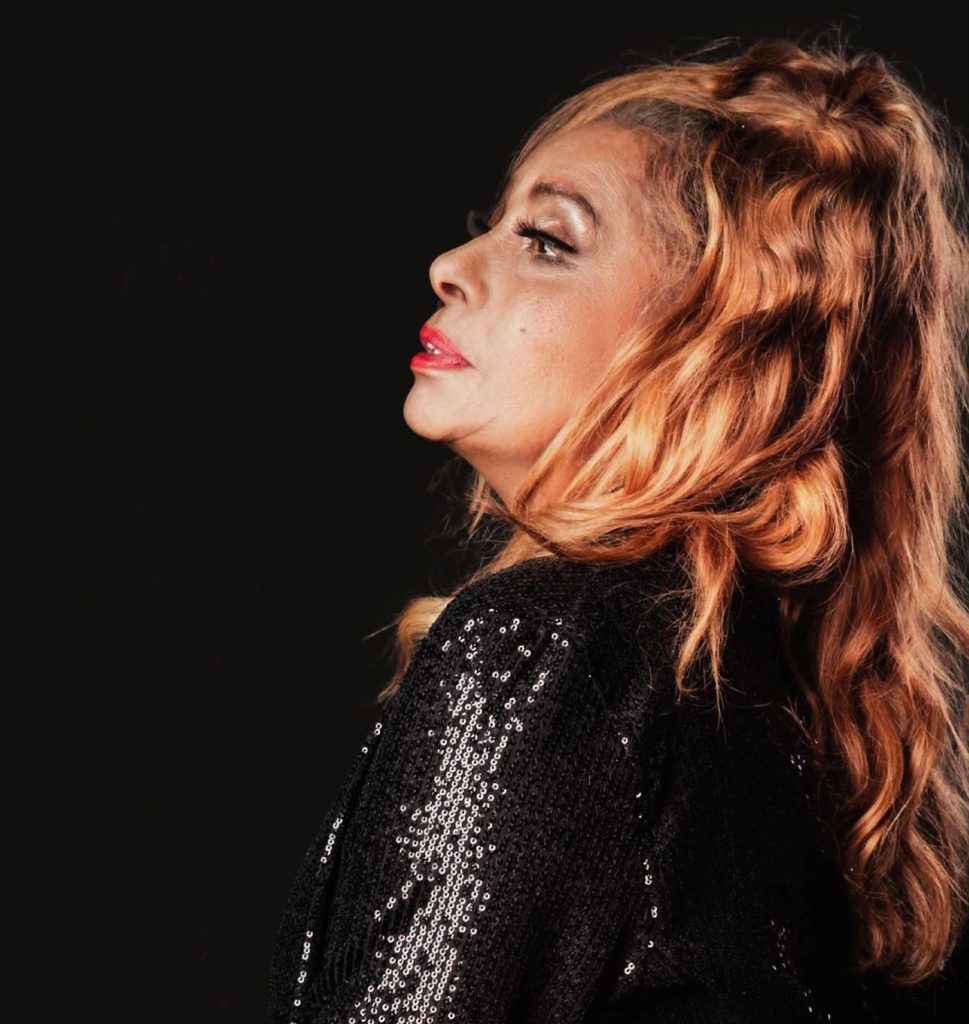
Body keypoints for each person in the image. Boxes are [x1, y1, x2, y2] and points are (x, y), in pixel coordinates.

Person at [267, 34, 969, 1023]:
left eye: (546, 241)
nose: (450, 266)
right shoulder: (810, 730)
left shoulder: (543, 650)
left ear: (710, 348)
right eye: (489, 224)